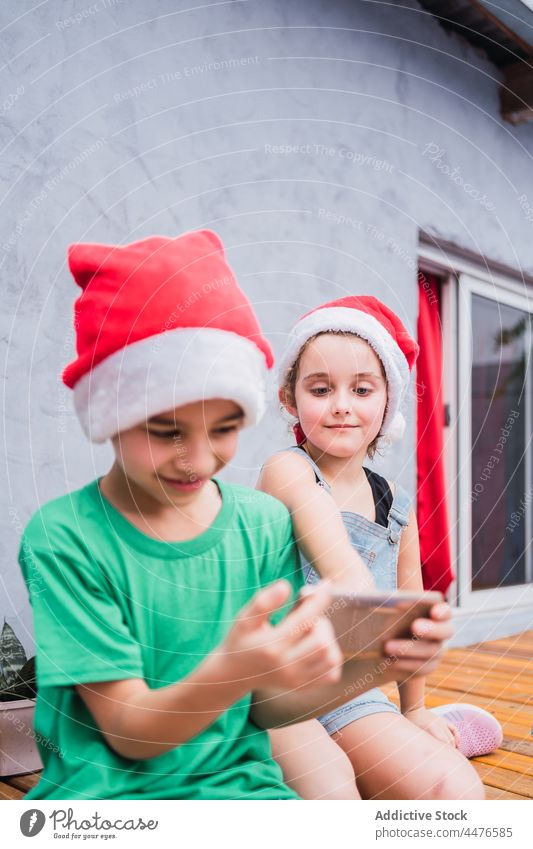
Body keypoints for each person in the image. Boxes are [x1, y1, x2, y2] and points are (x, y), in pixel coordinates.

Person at [18, 235, 453, 800]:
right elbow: (131, 731)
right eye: (165, 429)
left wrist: (391, 660)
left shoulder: (257, 522)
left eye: (223, 429)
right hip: (118, 790)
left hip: (266, 734)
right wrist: (246, 670)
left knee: (376, 793)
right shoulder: (66, 539)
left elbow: (274, 696)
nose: (198, 459)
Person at [258, 296, 495, 800]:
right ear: (289, 399)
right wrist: (359, 589)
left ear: (387, 401)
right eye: (321, 389)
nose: (342, 403)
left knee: (455, 791)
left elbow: (409, 619)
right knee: (334, 791)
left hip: (345, 696)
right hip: (266, 694)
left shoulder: (398, 507)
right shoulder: (288, 472)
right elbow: (325, 536)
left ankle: (435, 728)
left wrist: (414, 711)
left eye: (361, 389)